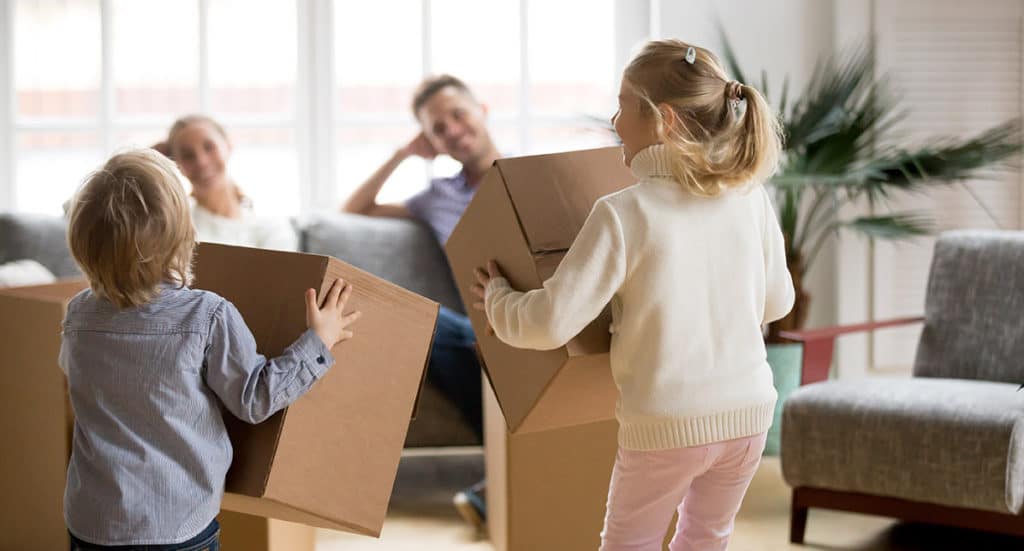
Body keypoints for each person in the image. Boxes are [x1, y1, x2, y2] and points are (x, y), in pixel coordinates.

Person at [471, 40, 794, 550]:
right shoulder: (750, 196)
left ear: (663, 119)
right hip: (749, 417)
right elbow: (778, 304)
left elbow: (552, 322)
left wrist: (496, 299)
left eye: (622, 105)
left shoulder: (624, 212)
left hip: (668, 426)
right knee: (706, 538)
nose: (614, 120)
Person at [60, 149, 362, 549]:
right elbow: (255, 398)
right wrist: (319, 341)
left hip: (92, 521)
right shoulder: (206, 315)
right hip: (176, 525)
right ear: (182, 236)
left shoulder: (78, 313)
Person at [341, 74, 500, 529]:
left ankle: (508, 476)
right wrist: (402, 154)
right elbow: (354, 209)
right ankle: (506, 472)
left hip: (536, 318)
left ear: (482, 110)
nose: (452, 129)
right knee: (417, 319)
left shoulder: (529, 174)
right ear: (429, 141)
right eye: (437, 128)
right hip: (476, 330)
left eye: (457, 115)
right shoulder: (438, 197)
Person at [160, 114, 299, 251]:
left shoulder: (271, 224)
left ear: (228, 145)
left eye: (209, 147)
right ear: (176, 164)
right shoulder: (177, 228)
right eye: (187, 155)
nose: (201, 162)